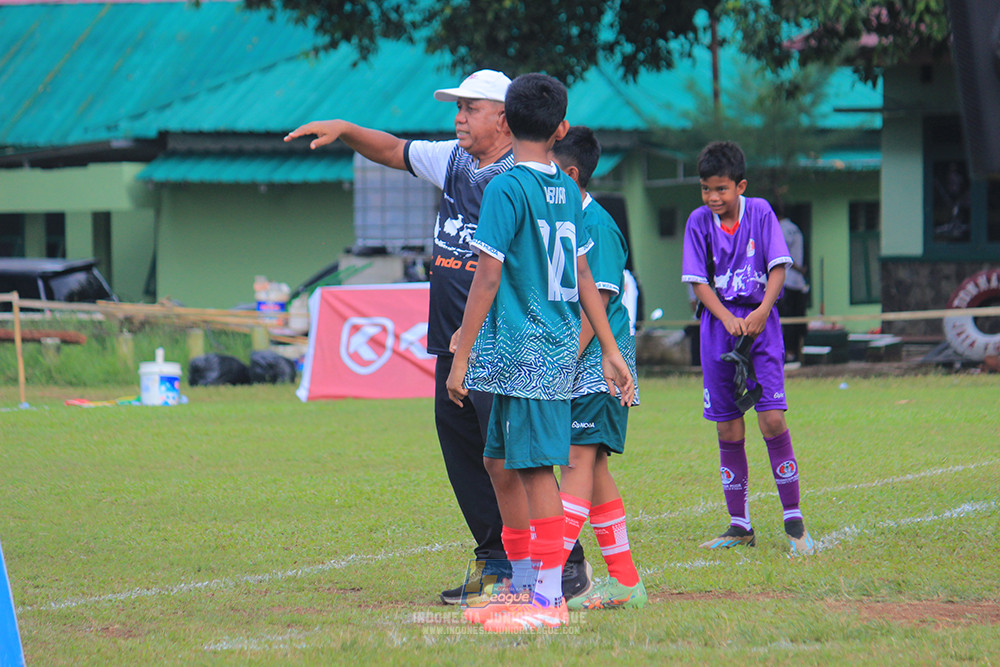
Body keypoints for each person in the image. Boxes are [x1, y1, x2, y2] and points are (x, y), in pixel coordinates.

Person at [284, 69, 592, 605]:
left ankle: (562, 566)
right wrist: (346, 128)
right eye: (458, 108)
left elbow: (525, 270)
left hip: (505, 344)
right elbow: (393, 149)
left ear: (504, 116)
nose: (458, 118)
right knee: (470, 453)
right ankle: (499, 561)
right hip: (453, 339)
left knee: (521, 461)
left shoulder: (522, 178)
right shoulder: (454, 159)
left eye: (469, 108)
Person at [447, 74, 635, 632]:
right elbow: (581, 273)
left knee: (532, 471)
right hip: (533, 349)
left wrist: (461, 353)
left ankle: (548, 598)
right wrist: (608, 347)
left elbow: (486, 277)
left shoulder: (507, 186)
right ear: (562, 127)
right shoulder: (562, 186)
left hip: (528, 351)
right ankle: (525, 584)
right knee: (497, 462)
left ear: (505, 121)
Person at [680, 141, 816, 556]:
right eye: (706, 189)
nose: (713, 197)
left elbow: (778, 267)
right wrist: (723, 316)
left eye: (721, 189)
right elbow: (697, 281)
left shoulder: (760, 212)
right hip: (718, 328)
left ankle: (794, 524)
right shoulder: (698, 222)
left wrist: (761, 311)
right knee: (727, 426)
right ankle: (740, 525)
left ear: (741, 185)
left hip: (762, 326)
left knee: (772, 420)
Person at [551, 126, 646, 610]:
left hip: (595, 366)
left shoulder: (598, 225)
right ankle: (626, 582)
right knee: (595, 467)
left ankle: (546, 587)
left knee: (576, 461)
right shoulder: (564, 220)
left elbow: (598, 301)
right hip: (577, 361)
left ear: (569, 174)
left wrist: (563, 361)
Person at [776, 210, 809, 365]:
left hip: (787, 280)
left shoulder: (781, 229)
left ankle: (788, 354)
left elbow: (782, 255)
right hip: (797, 281)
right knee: (796, 319)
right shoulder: (795, 228)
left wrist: (797, 268)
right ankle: (795, 352)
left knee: (787, 320)